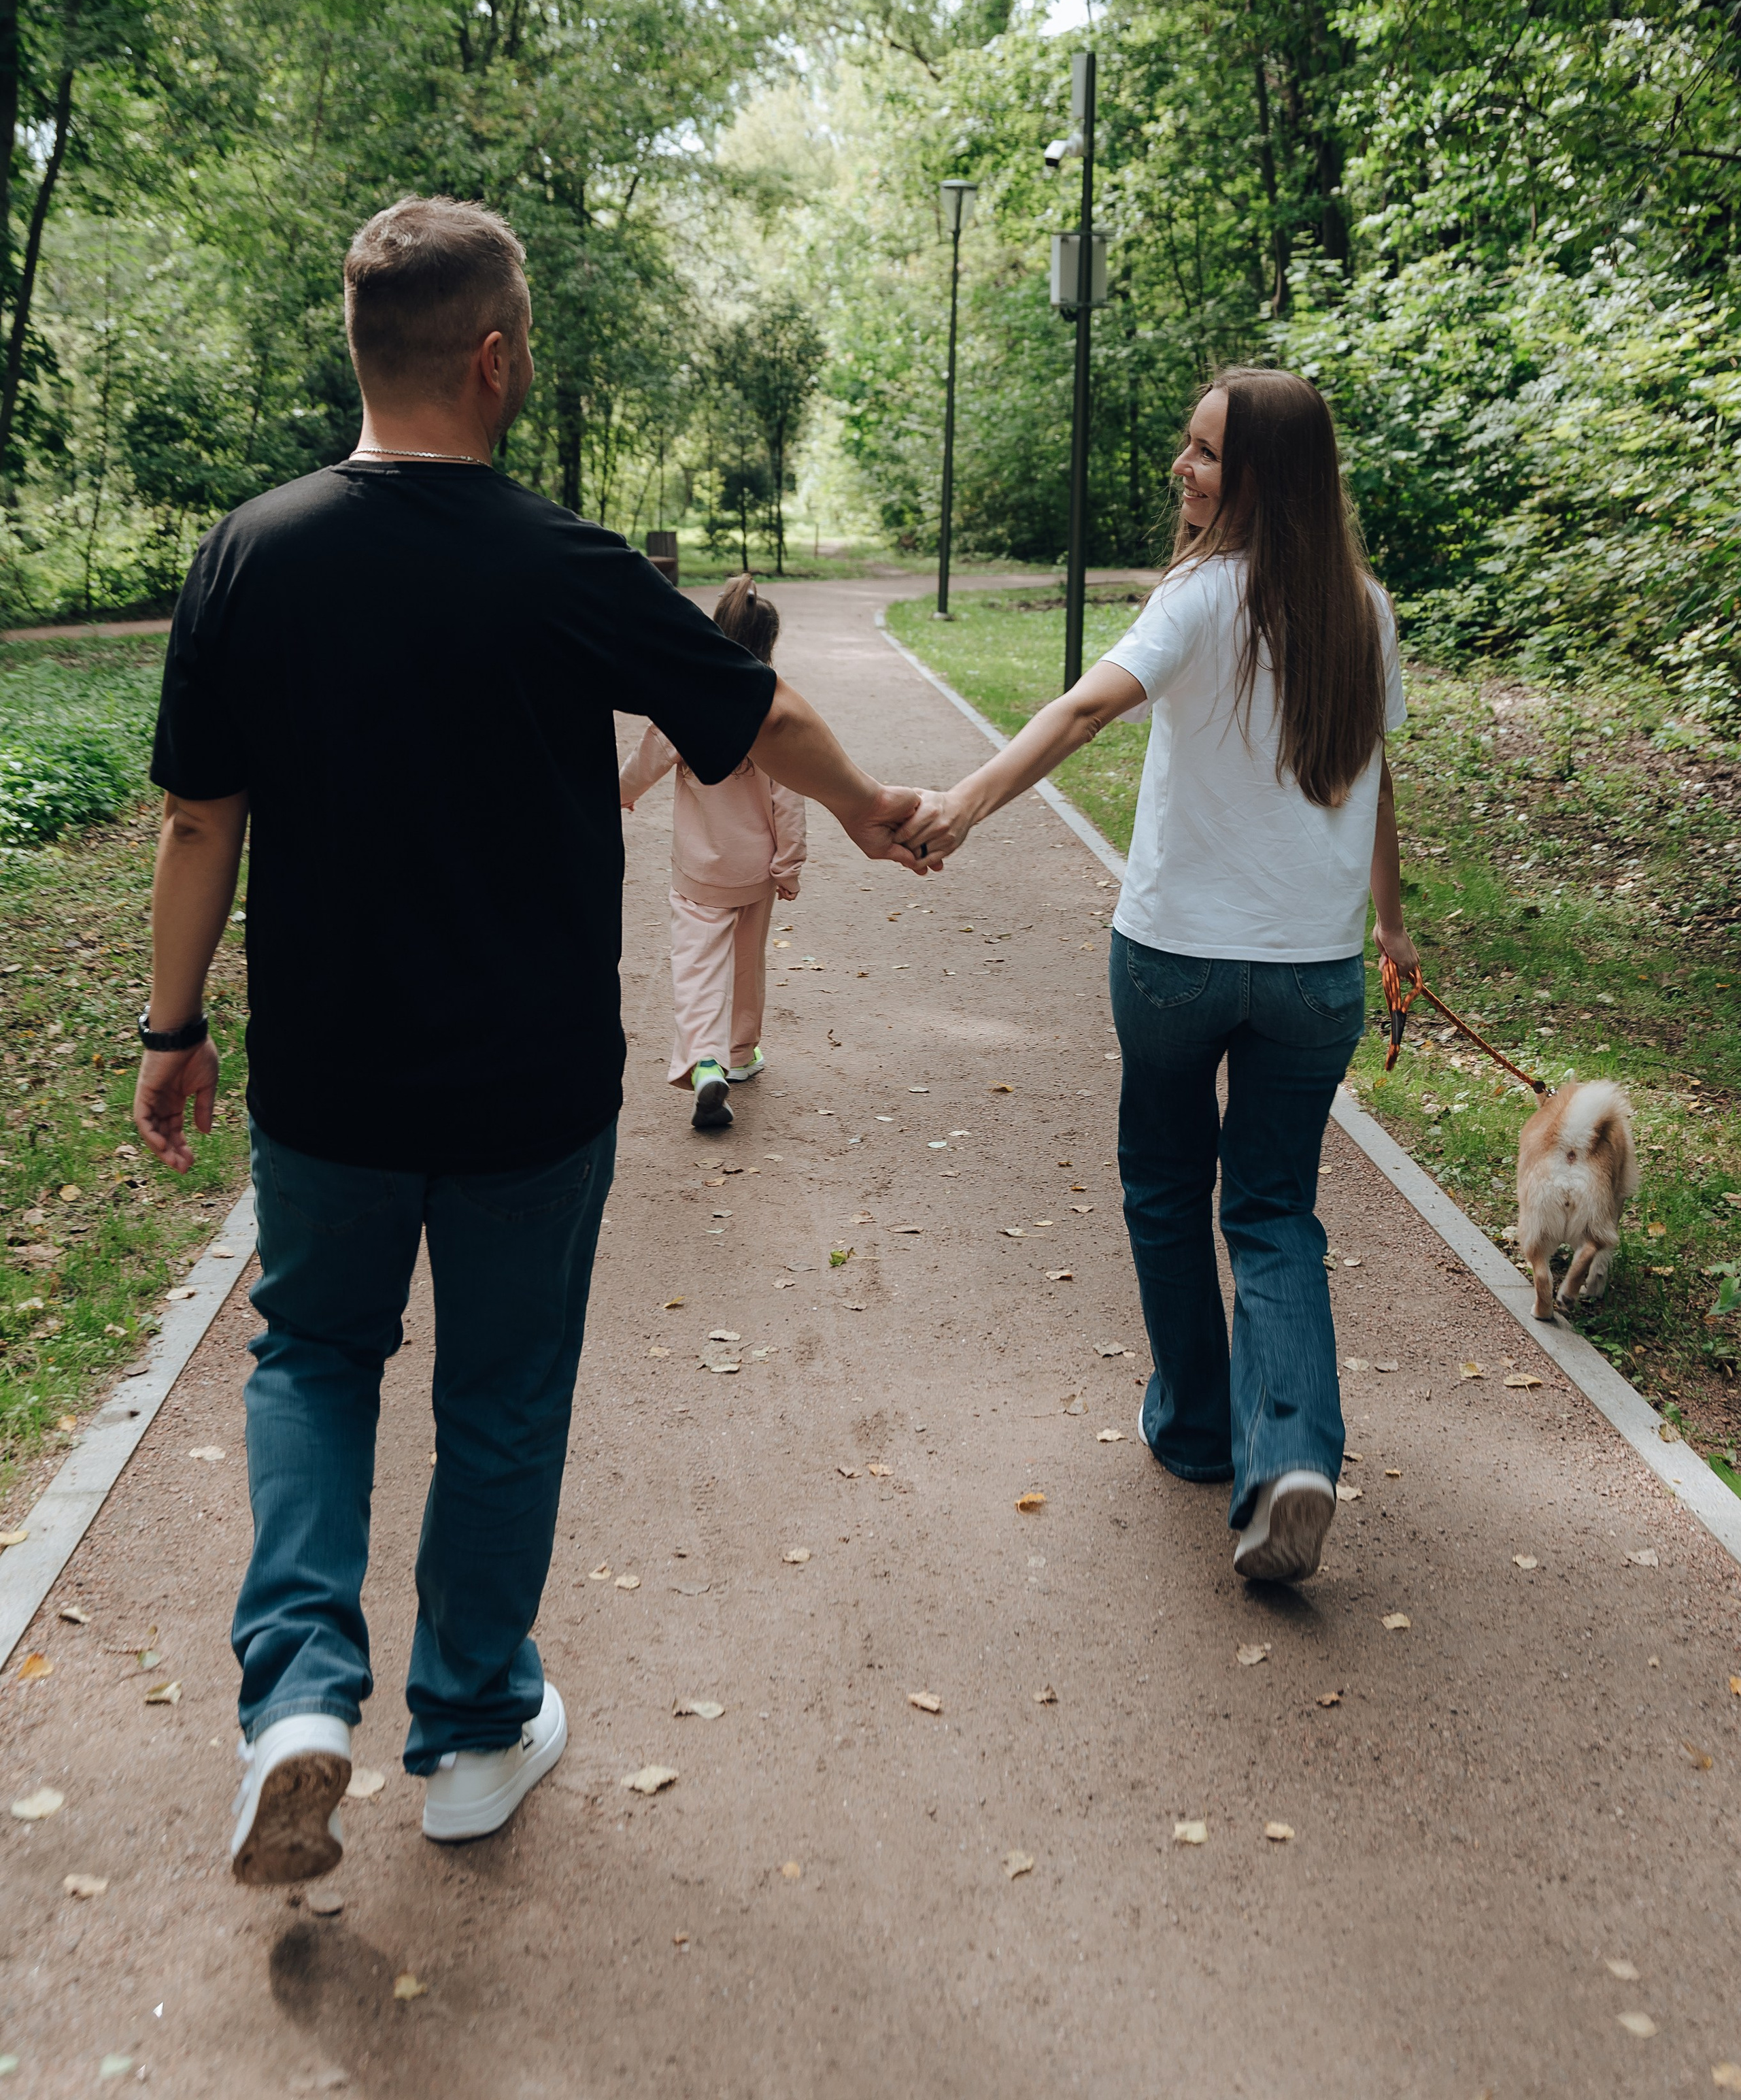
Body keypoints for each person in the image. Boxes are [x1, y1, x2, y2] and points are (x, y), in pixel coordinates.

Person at [133, 195, 931, 1888]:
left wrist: (172, 1025)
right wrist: (866, 810)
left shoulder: (250, 552)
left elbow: (204, 819)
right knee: (500, 1392)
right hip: (529, 1081)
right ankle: (476, 1730)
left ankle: (294, 1693)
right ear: (490, 357)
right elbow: (756, 707)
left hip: (331, 1077)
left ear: (361, 349)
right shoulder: (565, 562)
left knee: (311, 1355)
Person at [902, 368, 1418, 1585]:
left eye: (1203, 455)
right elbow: (1376, 771)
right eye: (1185, 446)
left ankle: (1194, 1426)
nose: (1180, 471)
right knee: (1276, 1209)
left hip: (1178, 960)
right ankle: (1289, 1449)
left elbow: (1085, 709)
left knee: (1167, 1185)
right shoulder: (1364, 607)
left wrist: (964, 803)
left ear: (1261, 478)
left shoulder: (1199, 596)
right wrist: (1394, 931)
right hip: (1311, 978)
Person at [619, 573, 802, 1132]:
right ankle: (742, 1055)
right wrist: (789, 863)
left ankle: (706, 1062)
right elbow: (789, 795)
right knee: (748, 963)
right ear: (768, 643)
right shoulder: (772, 702)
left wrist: (621, 795)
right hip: (757, 869)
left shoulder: (685, 697)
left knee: (699, 966)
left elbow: (647, 759)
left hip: (700, 871)